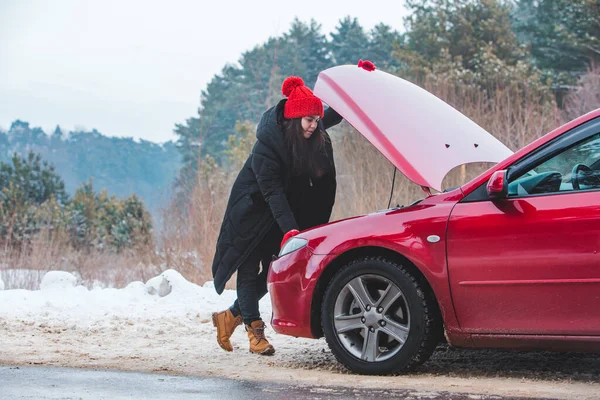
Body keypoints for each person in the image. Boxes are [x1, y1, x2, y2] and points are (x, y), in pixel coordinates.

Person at [211, 76, 343, 355]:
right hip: (251, 213)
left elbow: (330, 117)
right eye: (309, 120)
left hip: (277, 214)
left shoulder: (308, 132)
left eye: (315, 120)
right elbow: (273, 194)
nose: (314, 126)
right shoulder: (266, 148)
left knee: (274, 269)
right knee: (248, 272)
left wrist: (357, 90)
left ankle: (229, 316)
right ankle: (254, 333)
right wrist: (291, 231)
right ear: (295, 120)